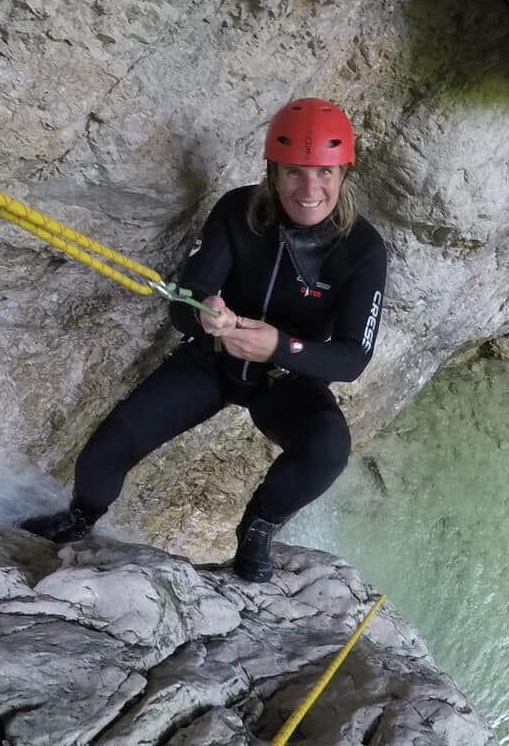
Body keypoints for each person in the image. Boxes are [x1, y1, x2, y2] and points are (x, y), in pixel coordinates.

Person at [20, 97, 387, 582]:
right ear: (273, 173)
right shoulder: (239, 211)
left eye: (324, 173)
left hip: (284, 378)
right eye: (295, 172)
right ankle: (81, 517)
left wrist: (279, 347)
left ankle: (257, 530)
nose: (309, 188)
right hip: (212, 362)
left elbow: (352, 358)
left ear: (343, 174)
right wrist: (205, 314)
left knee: (328, 447)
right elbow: (184, 301)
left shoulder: (362, 249)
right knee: (105, 452)